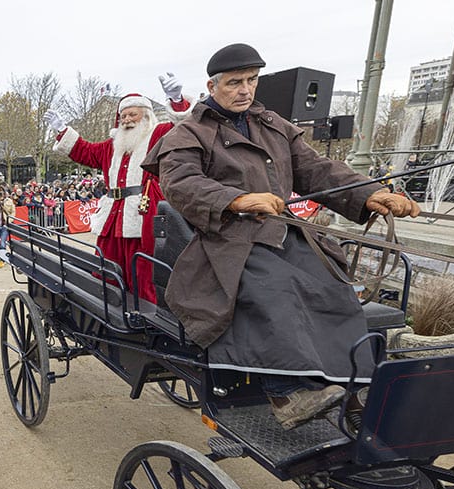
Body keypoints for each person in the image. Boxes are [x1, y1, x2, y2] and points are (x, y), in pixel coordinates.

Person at [143, 43, 420, 429]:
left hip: (283, 232)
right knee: (274, 286)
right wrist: (237, 200)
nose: (245, 90)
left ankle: (352, 387)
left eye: (252, 81)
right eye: (235, 82)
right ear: (212, 85)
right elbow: (181, 184)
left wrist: (369, 194)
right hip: (226, 240)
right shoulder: (189, 133)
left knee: (332, 285)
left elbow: (319, 170)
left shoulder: (273, 125)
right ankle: (286, 393)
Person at [43, 75, 192, 301]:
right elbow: (84, 151)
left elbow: (182, 128)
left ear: (146, 116)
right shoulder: (111, 146)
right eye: (123, 116)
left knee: (144, 270)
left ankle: (148, 316)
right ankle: (110, 309)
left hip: (143, 215)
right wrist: (63, 129)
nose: (127, 119)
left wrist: (176, 99)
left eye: (133, 114)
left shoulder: (158, 135)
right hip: (113, 218)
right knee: (107, 267)